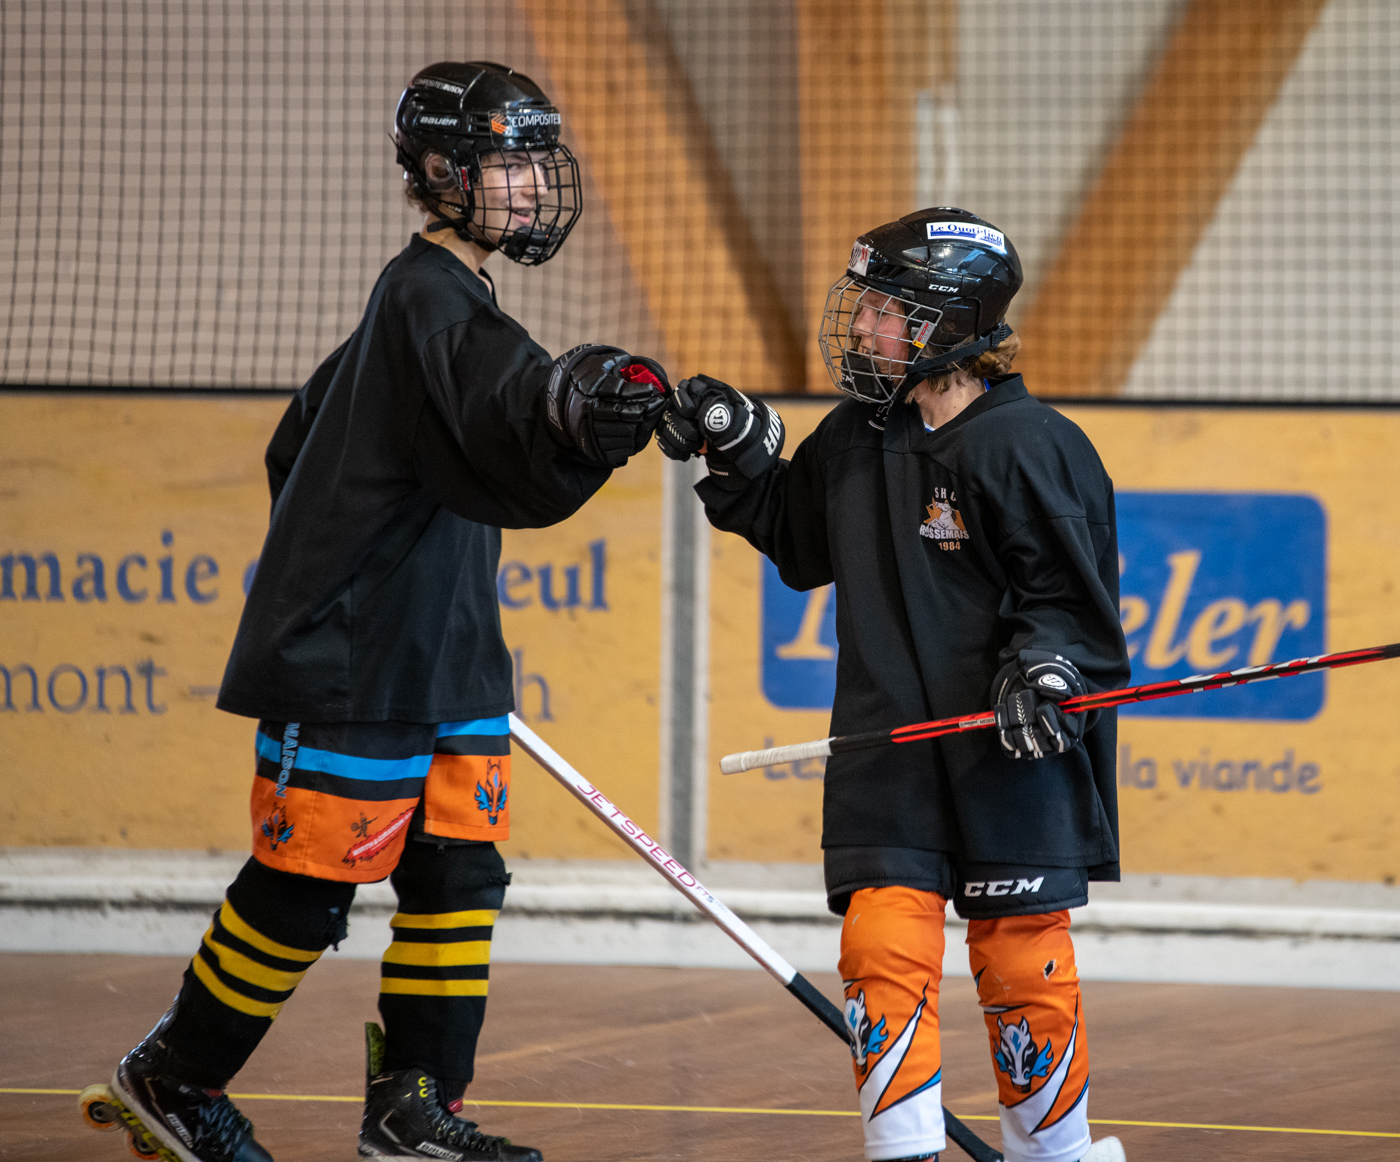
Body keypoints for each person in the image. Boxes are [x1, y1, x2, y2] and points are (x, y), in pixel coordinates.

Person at [93, 62, 669, 1162]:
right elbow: (512, 400)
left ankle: (413, 1108)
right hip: (355, 665)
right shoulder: (423, 296)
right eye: (506, 163)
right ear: (442, 172)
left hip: (442, 657)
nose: (530, 184)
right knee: (304, 890)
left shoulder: (442, 307)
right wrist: (573, 403)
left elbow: (302, 442)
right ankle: (172, 1076)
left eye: (535, 162)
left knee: (458, 878)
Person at [657, 208, 1131, 1162]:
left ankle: (1055, 1152)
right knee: (881, 945)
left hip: (1008, 746)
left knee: (1020, 955)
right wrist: (736, 452)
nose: (862, 327)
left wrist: (1044, 668)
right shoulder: (856, 435)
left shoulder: (1030, 444)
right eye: (865, 306)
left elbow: (1067, 600)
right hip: (890, 744)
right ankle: (902, 1146)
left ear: (949, 323)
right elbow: (799, 539)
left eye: (884, 311)